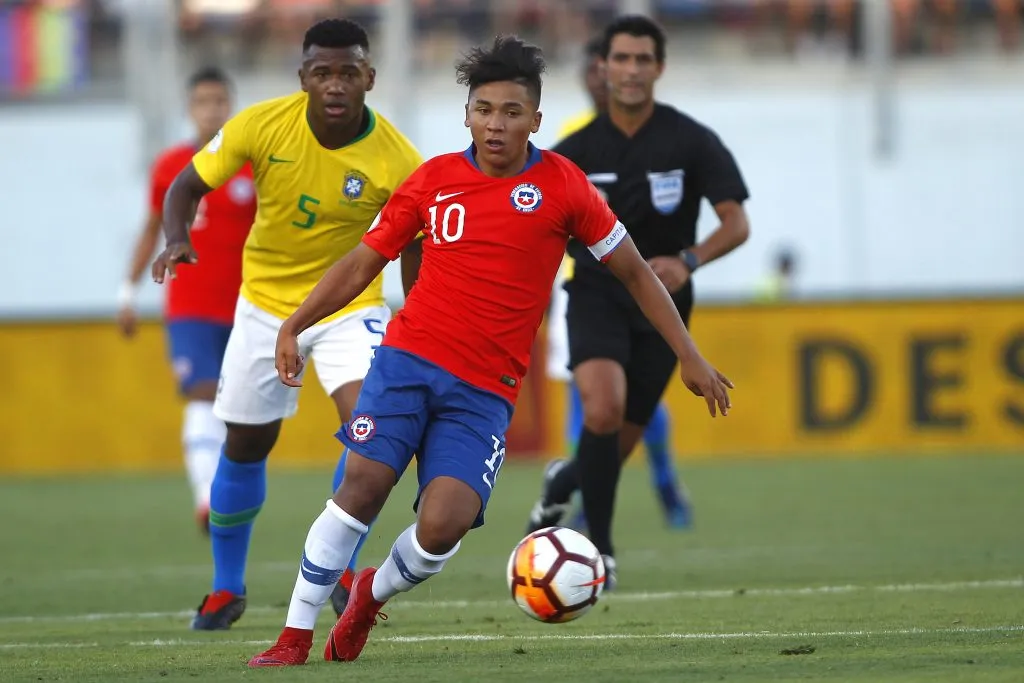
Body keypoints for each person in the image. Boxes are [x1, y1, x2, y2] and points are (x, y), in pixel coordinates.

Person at [246, 34, 733, 668]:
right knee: (363, 485)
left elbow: (637, 273)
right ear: (467, 114)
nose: (495, 124)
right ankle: (294, 635)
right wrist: (295, 324)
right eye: (483, 110)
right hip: (407, 362)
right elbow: (365, 260)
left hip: (484, 391)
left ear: (535, 118)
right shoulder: (433, 180)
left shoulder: (565, 187)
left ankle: (370, 593)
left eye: (510, 112)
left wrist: (689, 355)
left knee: (443, 525)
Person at [151, 18, 423, 631]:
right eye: (322, 72)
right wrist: (175, 238)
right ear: (303, 77)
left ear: (369, 79)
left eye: (347, 72)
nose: (334, 84)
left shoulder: (399, 159)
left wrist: (422, 307)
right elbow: (185, 185)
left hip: (351, 308)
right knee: (246, 444)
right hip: (264, 306)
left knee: (370, 430)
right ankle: (225, 588)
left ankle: (342, 572)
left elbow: (415, 246)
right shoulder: (259, 126)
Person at [525, 15, 751, 589]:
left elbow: (737, 223)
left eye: (641, 60)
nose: (629, 70)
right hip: (597, 293)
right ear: (604, 69)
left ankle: (563, 483)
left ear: (659, 68)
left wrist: (689, 260)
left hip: (667, 303)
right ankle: (600, 549)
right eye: (619, 59)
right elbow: (536, 234)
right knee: (600, 411)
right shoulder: (571, 153)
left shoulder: (691, 140)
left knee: (616, 445)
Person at [547, 35, 691, 530]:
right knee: (588, 402)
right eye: (593, 73)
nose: (601, 81)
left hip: (639, 285)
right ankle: (588, 503)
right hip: (582, 288)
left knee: (643, 403)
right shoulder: (571, 139)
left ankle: (665, 481)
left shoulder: (653, 140)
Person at [117, 66, 256, 535]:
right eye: (203, 102)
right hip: (191, 308)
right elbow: (149, 229)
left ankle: (226, 492)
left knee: (239, 408)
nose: (212, 110)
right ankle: (206, 499)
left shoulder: (252, 165)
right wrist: (127, 292)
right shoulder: (170, 165)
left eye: (220, 101)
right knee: (200, 392)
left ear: (230, 106)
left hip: (248, 307)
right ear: (189, 108)